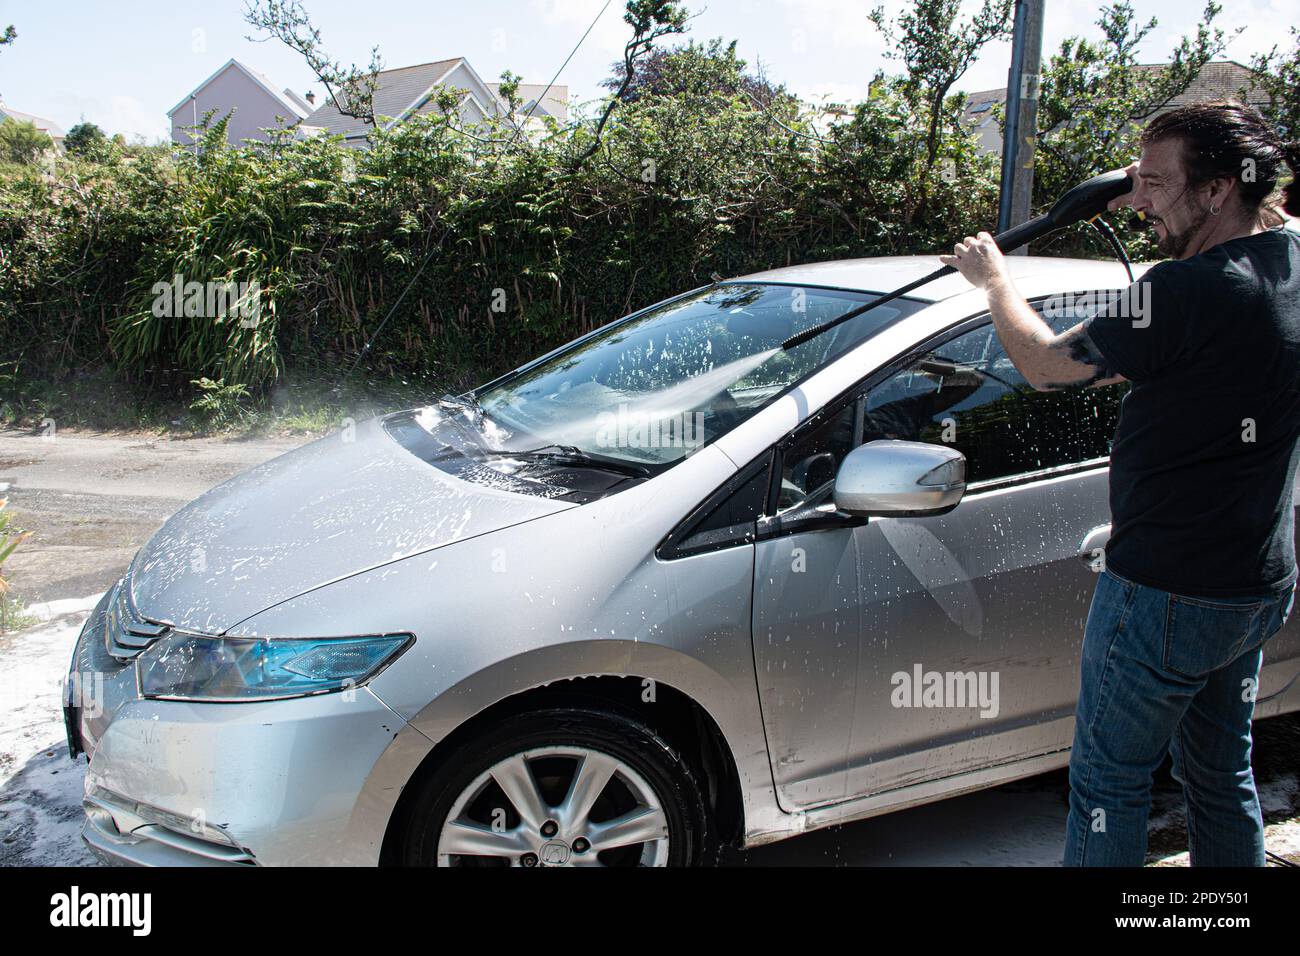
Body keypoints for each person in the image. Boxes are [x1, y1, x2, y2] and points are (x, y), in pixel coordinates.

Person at [938, 101, 1300, 866]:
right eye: (1135, 181)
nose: (1137, 201)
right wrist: (1145, 180)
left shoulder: (1178, 292)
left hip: (1163, 592)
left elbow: (1043, 364)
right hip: (1258, 583)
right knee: (1219, 770)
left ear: (1215, 192)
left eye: (1157, 184)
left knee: (1110, 782)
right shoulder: (1292, 261)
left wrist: (993, 280)